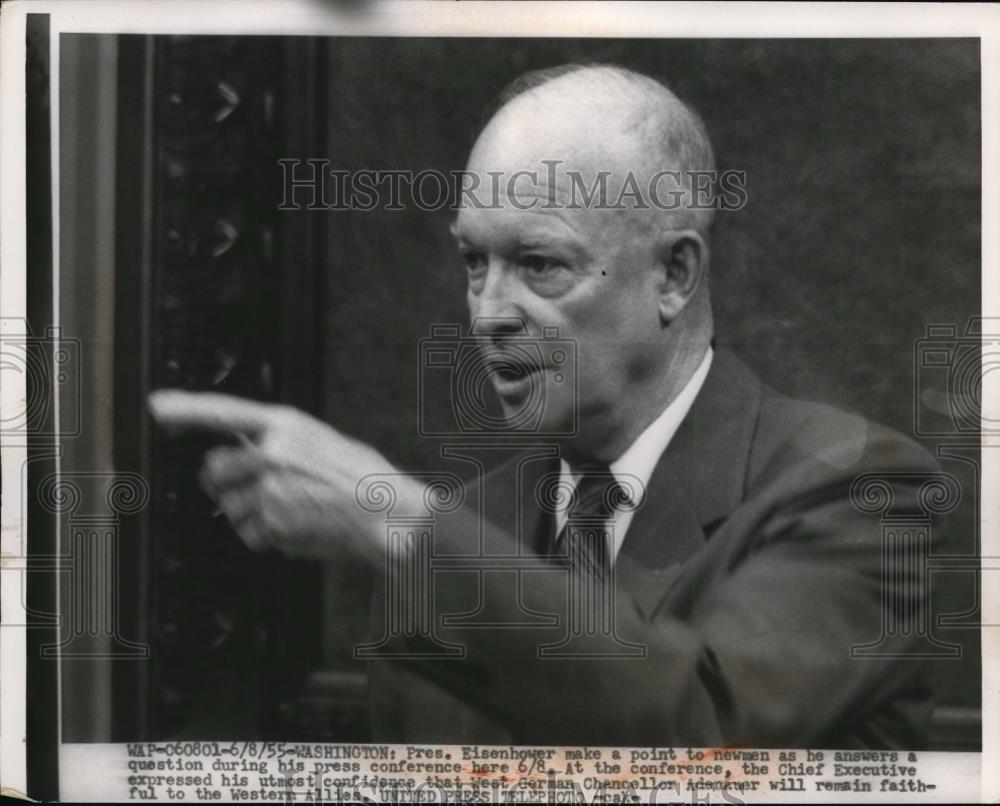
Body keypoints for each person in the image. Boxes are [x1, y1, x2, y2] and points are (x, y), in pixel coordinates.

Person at [149, 64, 939, 749]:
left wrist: (395, 522)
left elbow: (697, 731)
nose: (490, 311)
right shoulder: (461, 535)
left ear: (674, 277)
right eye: (473, 262)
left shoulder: (857, 489)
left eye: (538, 264)